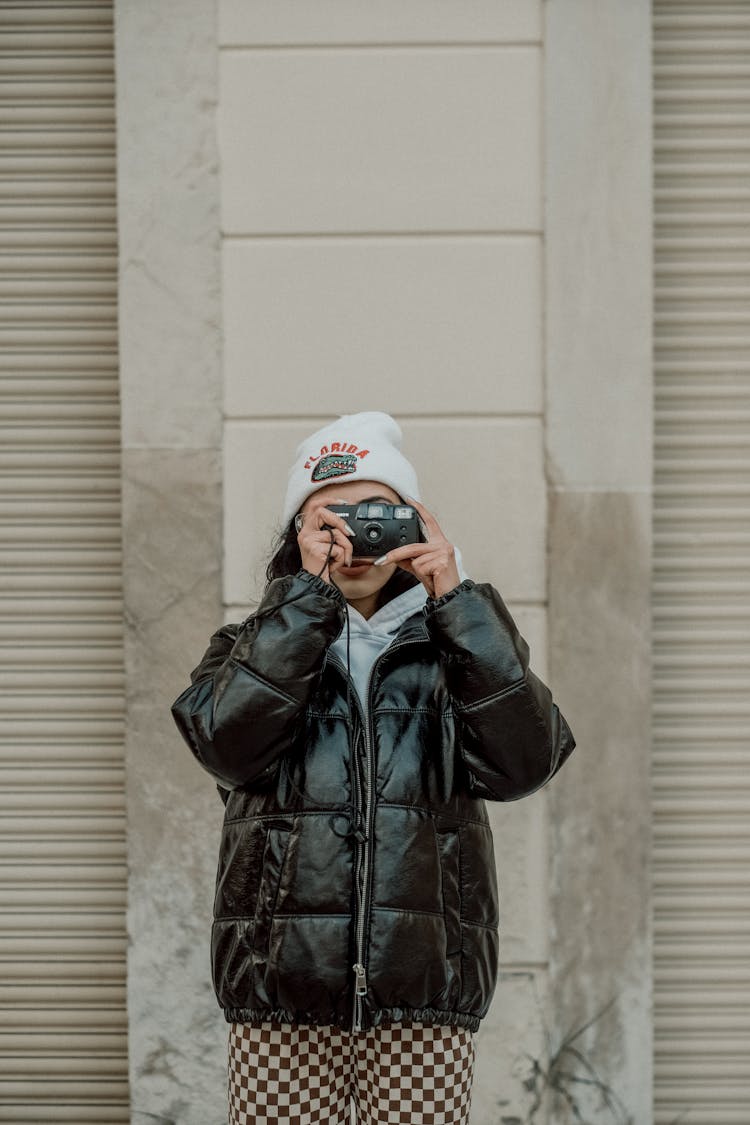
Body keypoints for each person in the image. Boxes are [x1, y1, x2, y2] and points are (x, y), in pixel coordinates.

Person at [170, 411, 576, 1125]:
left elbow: (525, 763)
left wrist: (455, 597)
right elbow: (226, 749)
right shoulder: (249, 646)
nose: (353, 539)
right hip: (280, 993)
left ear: (412, 522)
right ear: (297, 532)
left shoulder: (456, 646)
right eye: (329, 521)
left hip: (424, 994)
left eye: (374, 515)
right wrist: (306, 602)